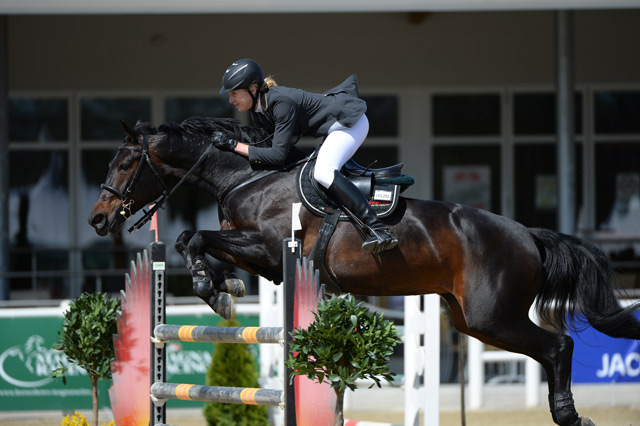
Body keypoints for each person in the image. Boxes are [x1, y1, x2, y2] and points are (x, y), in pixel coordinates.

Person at [212, 58, 398, 255]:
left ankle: (378, 229)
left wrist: (234, 145)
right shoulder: (258, 110)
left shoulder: (280, 101)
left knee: (323, 172)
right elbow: (269, 150)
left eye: (234, 93)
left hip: (351, 123)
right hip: (333, 129)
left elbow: (276, 155)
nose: (231, 100)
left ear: (253, 88)